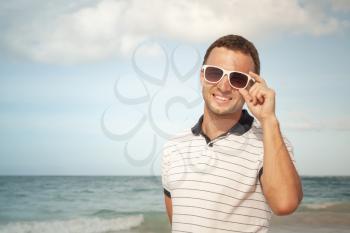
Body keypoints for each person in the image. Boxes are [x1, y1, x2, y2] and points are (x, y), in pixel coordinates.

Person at [161, 34, 303, 233]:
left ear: (252, 86)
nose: (223, 86)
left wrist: (269, 120)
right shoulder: (174, 146)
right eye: (214, 73)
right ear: (202, 76)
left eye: (237, 79)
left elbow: (285, 204)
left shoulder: (271, 142)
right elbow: (178, 223)